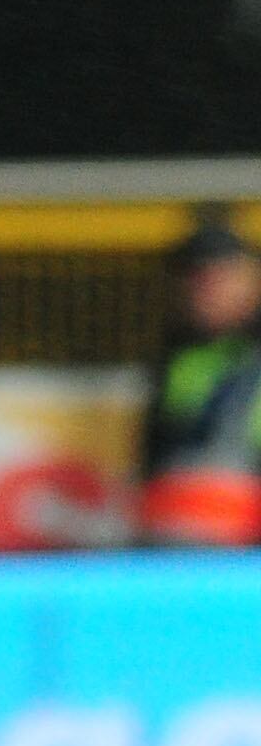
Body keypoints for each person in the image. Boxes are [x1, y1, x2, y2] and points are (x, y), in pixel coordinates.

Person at [138, 215, 261, 545]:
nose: (204, 290)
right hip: (185, 542)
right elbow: (155, 459)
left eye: (218, 277)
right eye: (194, 278)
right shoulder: (178, 358)